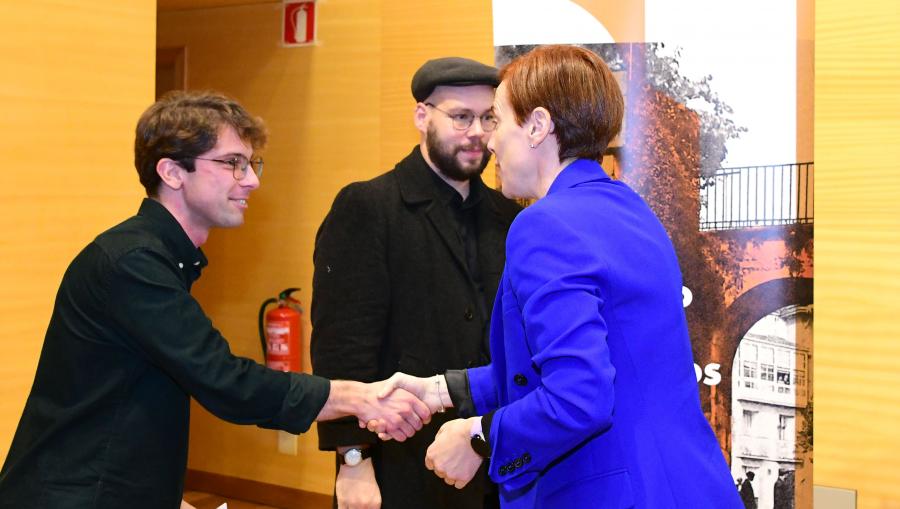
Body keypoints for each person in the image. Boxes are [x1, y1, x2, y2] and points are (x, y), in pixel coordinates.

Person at [0, 91, 430, 509]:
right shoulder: (133, 263)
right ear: (172, 172)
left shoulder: (155, 257)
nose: (252, 180)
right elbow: (225, 381)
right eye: (233, 163)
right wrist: (355, 397)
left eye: (251, 163)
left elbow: (127, 396)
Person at [375, 45, 744, 508]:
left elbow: (578, 396)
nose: (490, 142)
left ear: (537, 125)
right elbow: (586, 362)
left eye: (497, 120)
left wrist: (479, 437)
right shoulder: (633, 211)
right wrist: (440, 391)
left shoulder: (545, 224)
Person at [310, 57, 521, 509]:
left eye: (488, 118)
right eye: (460, 117)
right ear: (422, 116)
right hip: (401, 462)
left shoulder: (509, 216)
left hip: (491, 458)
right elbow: (343, 349)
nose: (477, 132)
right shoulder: (369, 207)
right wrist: (353, 460)